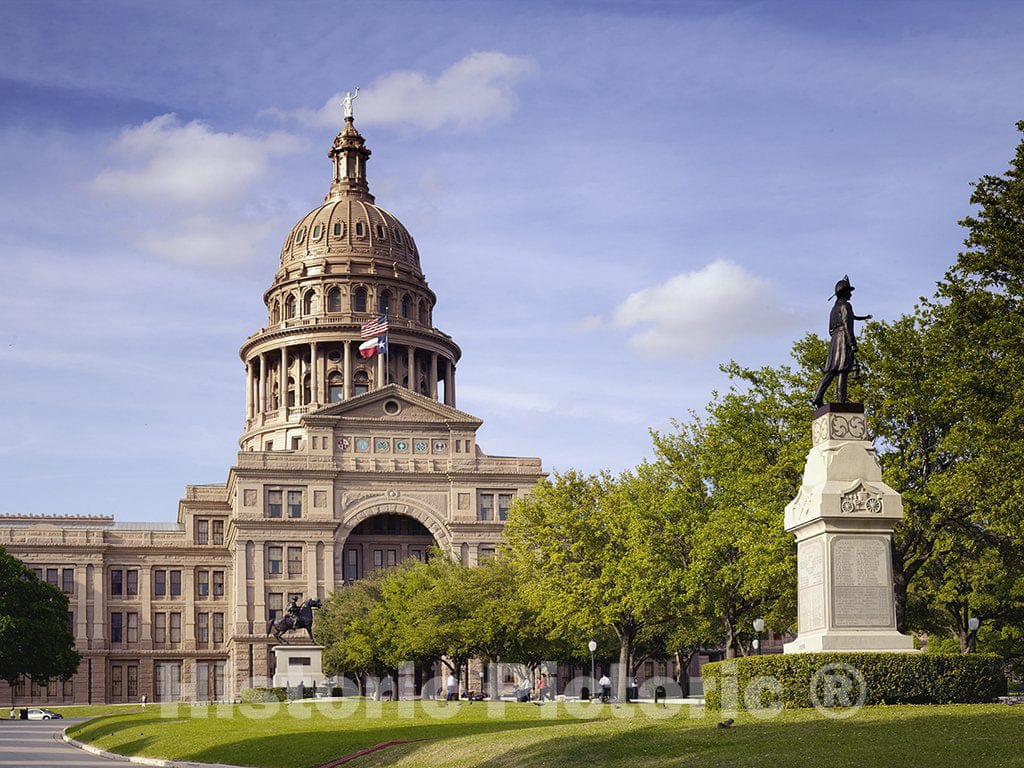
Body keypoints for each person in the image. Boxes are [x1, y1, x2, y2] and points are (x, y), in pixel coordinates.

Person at [812, 275, 872, 407]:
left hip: (835, 340)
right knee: (843, 369)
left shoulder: (833, 309)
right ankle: (842, 399)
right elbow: (847, 324)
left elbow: (830, 330)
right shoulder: (846, 306)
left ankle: (817, 396)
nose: (851, 294)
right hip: (843, 338)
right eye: (849, 291)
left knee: (832, 371)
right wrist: (852, 343)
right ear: (844, 293)